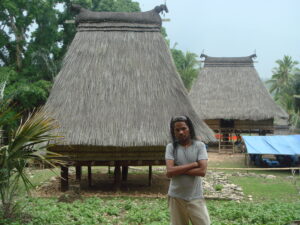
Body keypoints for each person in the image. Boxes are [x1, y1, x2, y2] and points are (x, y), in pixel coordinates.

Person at [165, 115, 211, 225]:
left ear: (189, 129)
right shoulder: (171, 147)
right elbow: (170, 172)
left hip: (195, 196)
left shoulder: (199, 146)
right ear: (174, 132)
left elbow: (202, 171)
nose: (181, 132)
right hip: (176, 197)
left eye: (183, 128)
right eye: (177, 130)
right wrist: (194, 164)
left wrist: (177, 169)